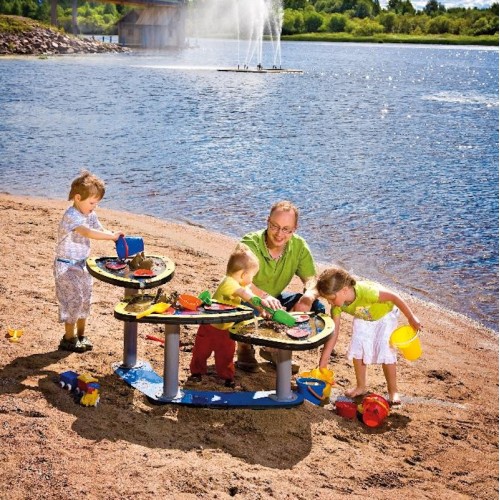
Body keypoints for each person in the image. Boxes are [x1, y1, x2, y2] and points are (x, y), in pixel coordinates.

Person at [237, 200, 325, 373]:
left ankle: (276, 349)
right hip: (244, 298)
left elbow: (311, 280)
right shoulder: (249, 244)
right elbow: (239, 281)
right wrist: (262, 297)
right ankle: (244, 347)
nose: (279, 234)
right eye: (275, 226)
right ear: (267, 221)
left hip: (274, 299)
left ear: (295, 228)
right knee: (246, 306)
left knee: (316, 307)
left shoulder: (299, 246)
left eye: (286, 229)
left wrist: (308, 297)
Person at [316, 267, 422, 406]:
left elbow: (394, 297)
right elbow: (334, 333)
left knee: (386, 350)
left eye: (331, 299)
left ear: (344, 290)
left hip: (385, 314)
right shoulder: (337, 306)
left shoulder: (367, 292)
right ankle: (361, 386)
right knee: (358, 348)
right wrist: (323, 362)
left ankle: (393, 391)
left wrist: (411, 317)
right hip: (364, 316)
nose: (330, 303)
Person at [54, 170, 123, 353]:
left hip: (82, 264)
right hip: (66, 265)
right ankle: (69, 338)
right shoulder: (71, 216)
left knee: (86, 299)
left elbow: (98, 228)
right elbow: (88, 232)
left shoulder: (89, 214)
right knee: (72, 300)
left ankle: (82, 335)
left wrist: (113, 235)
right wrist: (110, 237)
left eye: (97, 203)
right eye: (92, 202)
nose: (95, 206)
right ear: (77, 198)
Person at [189, 244, 272, 388]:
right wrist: (261, 305)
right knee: (201, 352)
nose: (252, 280)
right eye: (252, 276)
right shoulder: (229, 283)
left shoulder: (238, 282)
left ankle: (227, 377)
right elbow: (248, 296)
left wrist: (263, 309)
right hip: (209, 326)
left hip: (226, 328)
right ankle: (197, 372)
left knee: (226, 355)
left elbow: (250, 293)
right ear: (242, 274)